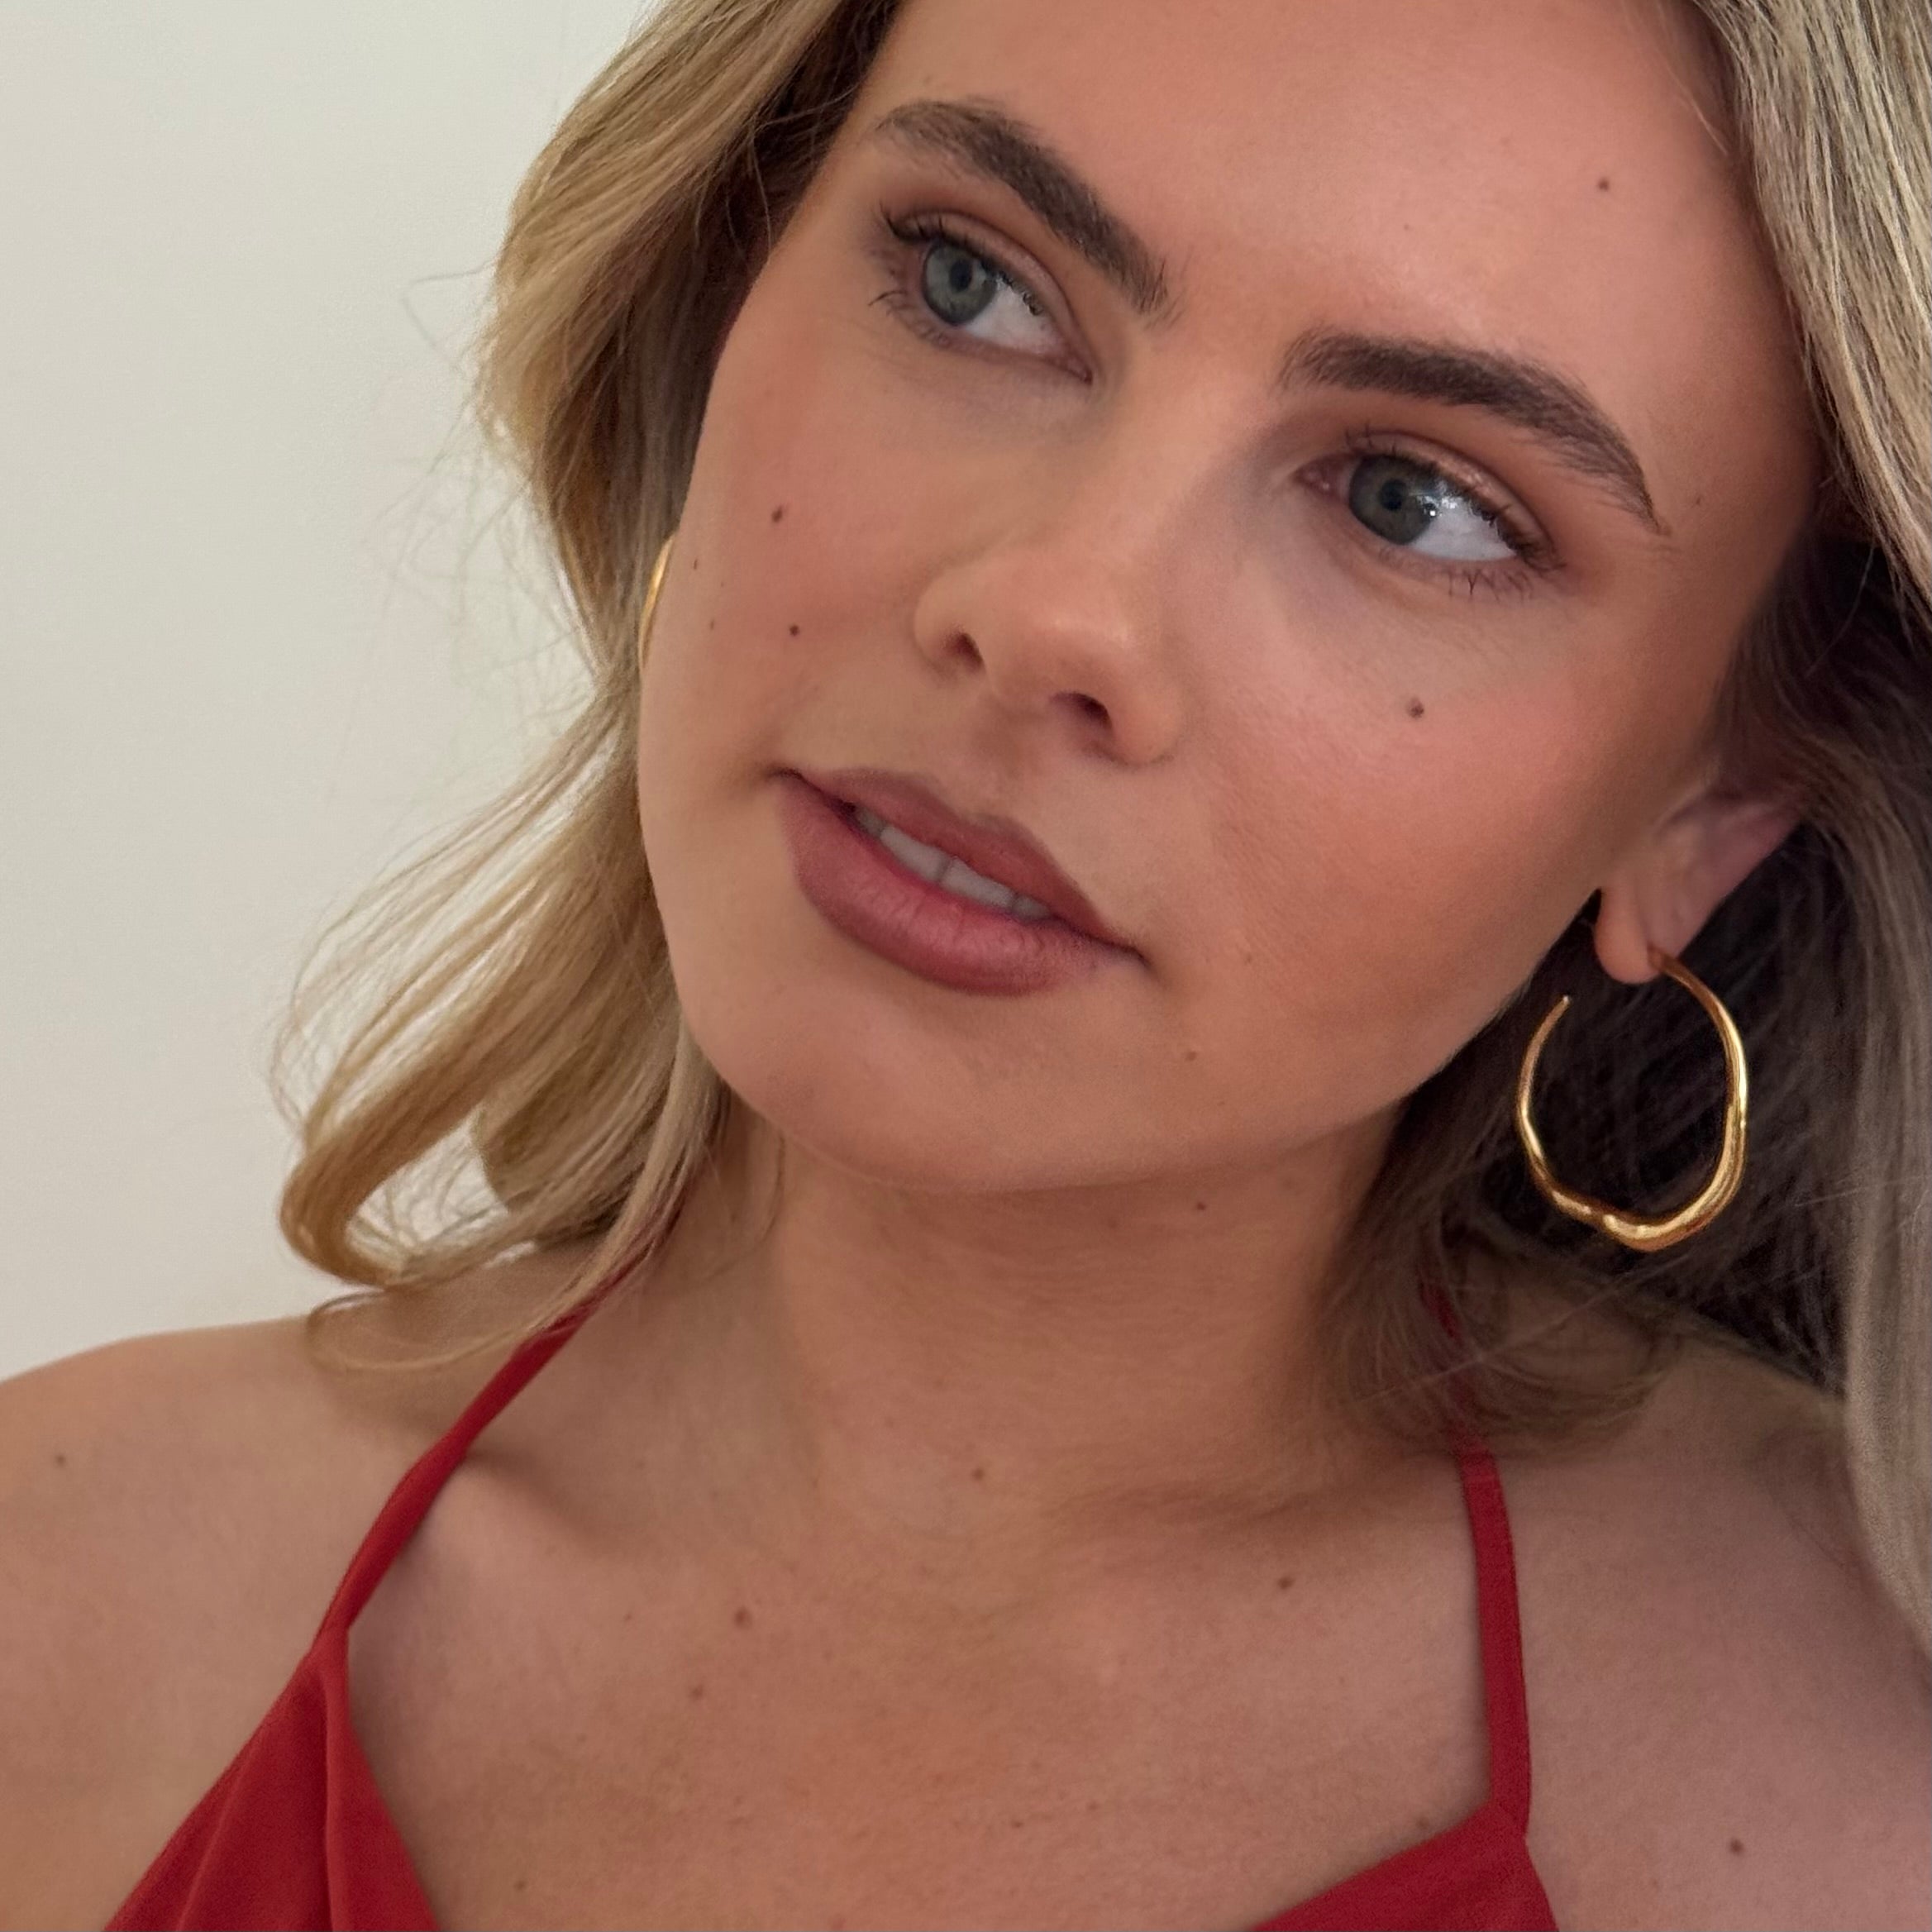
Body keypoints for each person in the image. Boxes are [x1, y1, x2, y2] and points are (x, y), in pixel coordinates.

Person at [3, 0, 1928, 1925]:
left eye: (1412, 500)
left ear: (1709, 806)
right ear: (720, 292)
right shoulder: (59, 1600)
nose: (1043, 607)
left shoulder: (1863, 1789)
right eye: (972, 285)